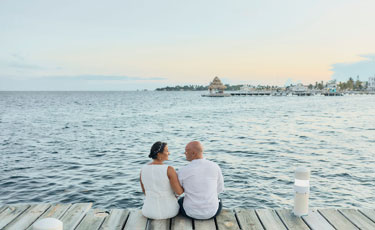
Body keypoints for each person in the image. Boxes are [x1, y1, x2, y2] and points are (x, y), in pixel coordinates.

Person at [177, 141, 224, 219]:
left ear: (193, 153)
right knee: (219, 200)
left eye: (186, 151)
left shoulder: (183, 170)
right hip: (212, 213)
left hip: (189, 212)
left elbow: (177, 192)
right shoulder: (215, 166)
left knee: (180, 201)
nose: (185, 153)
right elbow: (220, 189)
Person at [140, 141, 184, 219]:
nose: (169, 153)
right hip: (170, 212)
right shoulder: (169, 169)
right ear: (159, 154)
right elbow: (179, 192)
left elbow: (145, 192)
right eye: (167, 151)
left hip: (148, 211)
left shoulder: (143, 169)